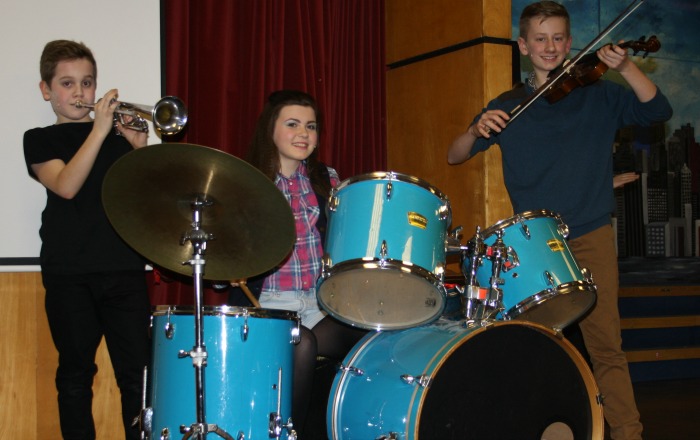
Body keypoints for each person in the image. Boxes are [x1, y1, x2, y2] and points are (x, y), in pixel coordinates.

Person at [447, 2, 672, 439]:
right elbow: (454, 155)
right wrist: (475, 130)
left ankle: (628, 432)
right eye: (540, 38)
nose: (549, 47)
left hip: (590, 233)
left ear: (569, 43)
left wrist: (625, 67)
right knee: (537, 345)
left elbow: (656, 111)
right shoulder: (509, 104)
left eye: (557, 38)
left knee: (606, 345)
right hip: (532, 243)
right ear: (523, 45)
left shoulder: (600, 93)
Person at [23, 40, 151, 440]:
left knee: (137, 378)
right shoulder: (40, 138)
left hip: (124, 269)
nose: (79, 93)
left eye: (87, 82)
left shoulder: (115, 139)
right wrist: (98, 131)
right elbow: (66, 185)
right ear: (46, 90)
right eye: (67, 83)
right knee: (76, 376)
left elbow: (139, 203)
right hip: (70, 274)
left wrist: (138, 150)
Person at [228, 89, 366, 435]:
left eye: (311, 126)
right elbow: (223, 256)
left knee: (375, 332)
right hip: (268, 305)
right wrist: (228, 270)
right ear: (270, 130)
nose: (303, 133)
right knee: (301, 344)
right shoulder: (246, 181)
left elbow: (347, 243)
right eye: (292, 124)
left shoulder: (327, 179)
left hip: (320, 304)